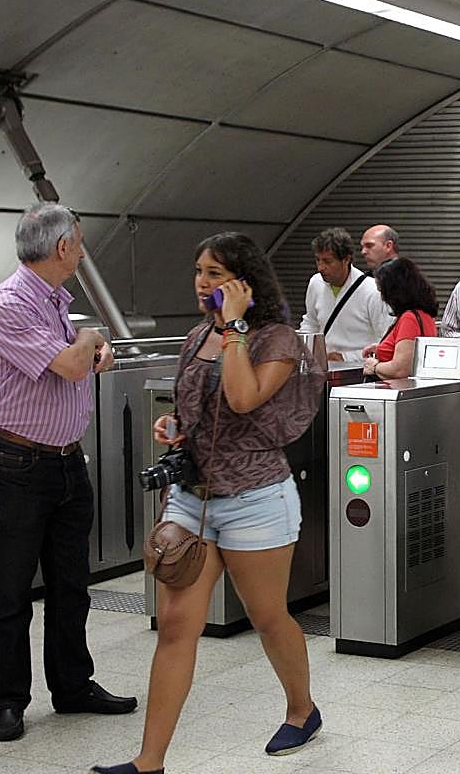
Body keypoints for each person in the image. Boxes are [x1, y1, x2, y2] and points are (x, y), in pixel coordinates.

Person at [93, 232, 323, 774]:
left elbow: (244, 398)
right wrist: (176, 427)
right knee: (176, 627)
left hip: (256, 498)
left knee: (268, 618)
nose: (203, 282)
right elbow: (198, 408)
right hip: (193, 498)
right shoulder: (197, 336)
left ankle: (301, 707)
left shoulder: (276, 340)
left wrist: (235, 327)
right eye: (200, 271)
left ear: (244, 282)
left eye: (216, 274)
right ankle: (149, 761)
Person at [0, 202, 133, 744]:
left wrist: (87, 346)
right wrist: (88, 341)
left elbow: (85, 359)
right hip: (15, 466)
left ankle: (72, 687)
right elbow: (71, 365)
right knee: (14, 590)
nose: (83, 251)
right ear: (63, 247)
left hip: (66, 462)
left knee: (72, 586)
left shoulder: (54, 301)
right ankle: (9, 701)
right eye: (80, 242)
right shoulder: (8, 304)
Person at [297, 227, 391, 362]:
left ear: (346, 260)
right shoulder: (315, 283)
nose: (320, 267)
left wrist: (346, 357)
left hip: (360, 372)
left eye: (327, 261)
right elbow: (311, 323)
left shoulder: (372, 291)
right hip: (323, 369)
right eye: (318, 260)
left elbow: (385, 341)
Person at [362, 257, 438, 381]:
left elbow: (400, 369)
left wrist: (374, 366)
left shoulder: (409, 319)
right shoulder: (425, 315)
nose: (382, 298)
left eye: (383, 291)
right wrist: (382, 347)